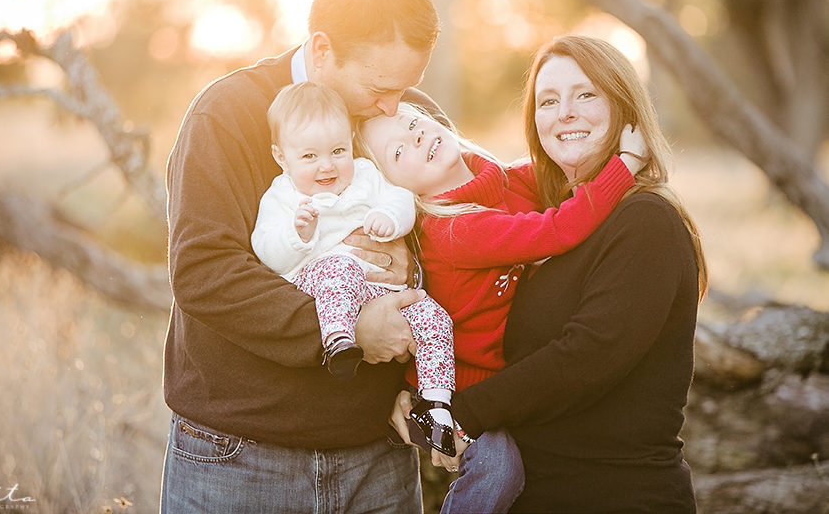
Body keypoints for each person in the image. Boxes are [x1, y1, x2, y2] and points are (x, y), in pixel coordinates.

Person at [161, 0, 443, 513]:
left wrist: (412, 269)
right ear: (321, 50)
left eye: (409, 86)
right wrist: (349, 326)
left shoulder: (411, 122)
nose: (396, 107)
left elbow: (463, 238)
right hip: (240, 458)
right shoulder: (226, 116)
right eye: (379, 86)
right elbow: (203, 272)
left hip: (377, 459)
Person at [392, 34, 709, 513]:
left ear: (625, 108)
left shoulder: (645, 221)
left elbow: (584, 359)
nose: (565, 113)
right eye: (548, 100)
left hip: (616, 497)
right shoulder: (548, 209)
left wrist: (448, 418)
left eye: (585, 95)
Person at [357, 98, 647, 513]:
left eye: (412, 121)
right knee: (500, 467)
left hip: (500, 380)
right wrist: (627, 163)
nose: (414, 135)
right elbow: (559, 230)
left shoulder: (506, 180)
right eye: (398, 152)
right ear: (393, 189)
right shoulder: (455, 230)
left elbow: (562, 173)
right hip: (445, 389)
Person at [250, 81, 457, 451]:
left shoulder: (365, 175)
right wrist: (299, 234)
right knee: (338, 271)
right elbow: (266, 252)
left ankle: (437, 404)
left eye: (338, 150)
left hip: (379, 287)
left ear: (350, 142)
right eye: (309, 157)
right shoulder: (283, 197)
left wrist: (388, 218)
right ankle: (339, 341)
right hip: (323, 282)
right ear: (282, 157)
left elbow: (401, 198)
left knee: (433, 316)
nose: (327, 165)